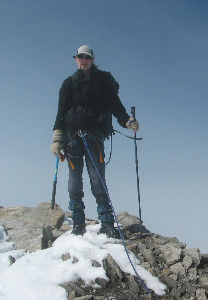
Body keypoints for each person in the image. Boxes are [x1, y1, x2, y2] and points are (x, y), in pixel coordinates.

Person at [50, 45, 139, 237]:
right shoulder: (68, 84)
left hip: (94, 137)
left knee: (97, 180)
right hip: (72, 138)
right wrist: (57, 138)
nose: (84, 60)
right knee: (74, 181)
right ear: (76, 59)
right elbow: (61, 113)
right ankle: (78, 224)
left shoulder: (102, 82)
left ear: (92, 60)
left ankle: (107, 224)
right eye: (80, 57)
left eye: (87, 57)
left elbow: (115, 105)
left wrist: (127, 121)